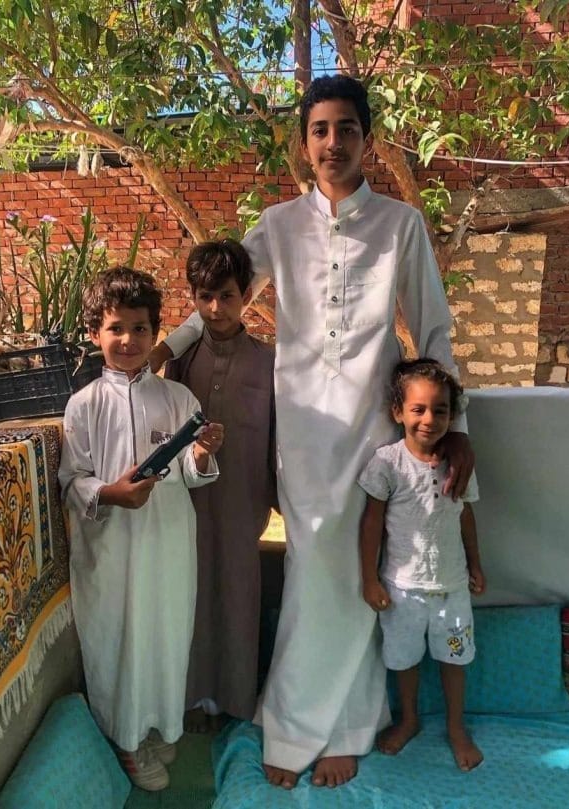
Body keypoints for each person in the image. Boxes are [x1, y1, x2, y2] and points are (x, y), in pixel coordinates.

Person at [149, 74, 475, 789]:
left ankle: (330, 726)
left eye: (347, 129)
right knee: (309, 565)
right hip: (299, 427)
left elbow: (432, 328)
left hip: (371, 427)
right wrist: (166, 346)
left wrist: (454, 427)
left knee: (357, 570)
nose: (333, 142)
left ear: (368, 139)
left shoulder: (400, 224)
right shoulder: (277, 225)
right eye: (320, 130)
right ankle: (313, 719)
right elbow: (224, 297)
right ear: (304, 143)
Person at [58, 267, 224, 791]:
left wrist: (202, 453)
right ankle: (128, 742)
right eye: (116, 328)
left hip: (169, 541)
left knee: (166, 632)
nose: (128, 340)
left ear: (155, 332)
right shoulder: (84, 405)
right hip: (111, 549)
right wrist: (112, 493)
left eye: (139, 328)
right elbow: (72, 481)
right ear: (95, 333)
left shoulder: (179, 400)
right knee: (118, 638)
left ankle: (158, 725)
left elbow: (192, 475)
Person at [164, 239, 276, 733]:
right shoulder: (181, 360)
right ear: (193, 297)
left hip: (243, 502)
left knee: (238, 593)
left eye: (226, 296)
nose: (215, 308)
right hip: (187, 501)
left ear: (245, 296)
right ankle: (189, 697)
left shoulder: (268, 362)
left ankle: (235, 701)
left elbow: (277, 438)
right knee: (190, 592)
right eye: (205, 297)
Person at [358, 358, 485, 772]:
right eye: (418, 409)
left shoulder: (459, 465)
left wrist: (475, 565)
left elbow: (466, 515)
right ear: (398, 412)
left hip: (452, 588)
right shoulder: (387, 463)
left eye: (440, 410)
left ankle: (455, 726)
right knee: (404, 659)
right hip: (402, 590)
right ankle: (409, 719)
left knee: (455, 659)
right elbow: (371, 523)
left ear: (452, 416)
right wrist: (370, 579)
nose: (429, 419)